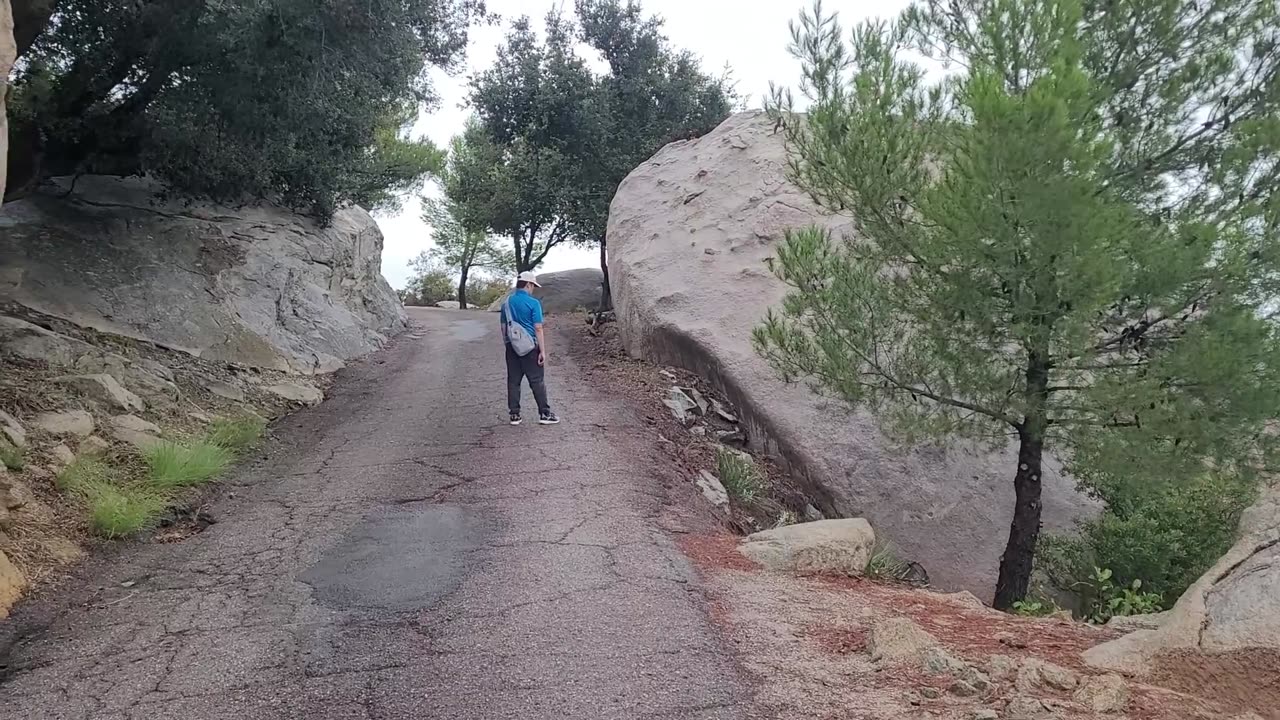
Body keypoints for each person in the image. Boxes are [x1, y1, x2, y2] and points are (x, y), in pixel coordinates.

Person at [500, 271, 560, 426]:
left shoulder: (506, 303)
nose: (533, 288)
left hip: (512, 347)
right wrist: (542, 350)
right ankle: (544, 414)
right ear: (528, 284)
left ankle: (515, 415)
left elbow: (503, 327)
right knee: (537, 380)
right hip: (530, 347)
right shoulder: (533, 303)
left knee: (513, 381)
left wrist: (509, 343)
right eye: (533, 285)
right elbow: (538, 328)